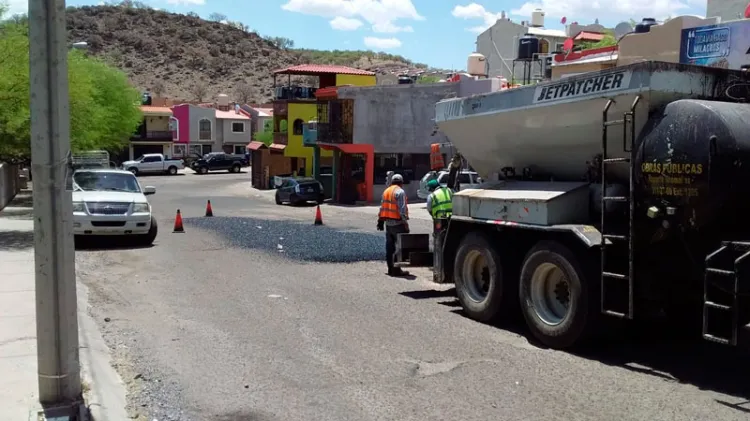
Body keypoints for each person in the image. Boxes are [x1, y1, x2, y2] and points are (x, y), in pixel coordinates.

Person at [377, 173, 410, 277]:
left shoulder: (386, 191)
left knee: (389, 248)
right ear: (401, 183)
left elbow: (382, 207)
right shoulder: (400, 192)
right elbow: (402, 209)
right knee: (399, 247)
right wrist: (405, 223)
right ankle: (396, 270)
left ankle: (390, 269)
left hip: (388, 224)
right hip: (398, 223)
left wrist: (380, 221)